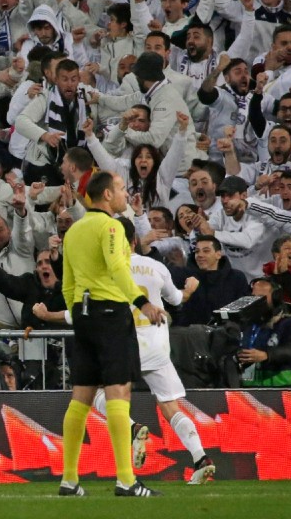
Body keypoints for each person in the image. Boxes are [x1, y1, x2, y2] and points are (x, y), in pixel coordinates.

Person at [58, 171, 165, 497]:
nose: (123, 193)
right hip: (111, 312)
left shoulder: (74, 231)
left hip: (84, 315)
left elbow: (67, 284)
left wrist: (77, 313)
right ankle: (125, 480)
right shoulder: (112, 227)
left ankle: (69, 480)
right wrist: (142, 301)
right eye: (119, 188)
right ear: (106, 195)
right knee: (119, 392)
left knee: (82, 396)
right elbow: (118, 267)